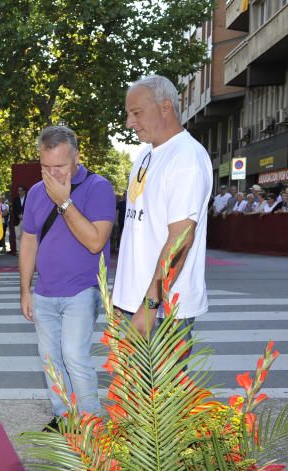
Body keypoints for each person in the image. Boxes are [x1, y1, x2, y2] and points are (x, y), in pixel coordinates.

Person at [19, 125, 115, 429]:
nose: (52, 174)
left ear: (76, 158)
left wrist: (64, 201)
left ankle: (91, 421)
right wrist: (25, 289)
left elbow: (95, 241)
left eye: (59, 166)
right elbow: (29, 241)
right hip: (44, 291)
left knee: (74, 355)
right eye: (45, 166)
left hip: (81, 290)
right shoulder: (36, 192)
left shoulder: (98, 187)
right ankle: (64, 416)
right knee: (50, 359)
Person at [115, 74, 211, 344]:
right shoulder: (146, 155)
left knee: (157, 388)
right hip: (135, 303)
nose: (129, 123)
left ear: (165, 107)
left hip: (163, 310)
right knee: (131, 387)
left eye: (136, 113)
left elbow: (180, 240)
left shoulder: (186, 158)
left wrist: (150, 304)